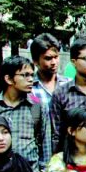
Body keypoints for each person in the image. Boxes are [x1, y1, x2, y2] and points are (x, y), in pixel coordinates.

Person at [0, 55, 46, 172]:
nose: (30, 79)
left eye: (31, 75)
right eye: (25, 75)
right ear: (8, 79)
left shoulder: (37, 107)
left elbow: (46, 146)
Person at [30, 33, 70, 164]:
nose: (54, 62)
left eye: (56, 57)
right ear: (36, 61)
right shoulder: (30, 89)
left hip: (67, 151)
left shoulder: (69, 85)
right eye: (48, 58)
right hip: (40, 154)